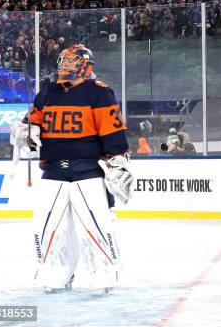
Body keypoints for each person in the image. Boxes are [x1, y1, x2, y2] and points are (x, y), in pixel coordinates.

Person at [9, 44, 134, 293]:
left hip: (86, 170)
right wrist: (25, 131)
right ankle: (55, 273)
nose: (65, 65)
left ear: (85, 65)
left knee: (94, 224)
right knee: (45, 226)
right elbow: (32, 121)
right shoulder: (47, 92)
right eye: (63, 61)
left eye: (71, 61)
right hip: (53, 170)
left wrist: (117, 161)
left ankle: (105, 273)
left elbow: (112, 131)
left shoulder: (100, 93)